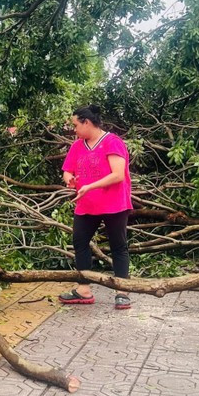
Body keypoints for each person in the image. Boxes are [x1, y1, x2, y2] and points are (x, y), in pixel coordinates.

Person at [58, 105, 133, 310]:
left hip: (114, 204)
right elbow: (67, 170)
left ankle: (122, 291)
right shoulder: (77, 146)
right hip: (86, 204)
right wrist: (70, 180)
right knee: (80, 242)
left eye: (75, 125)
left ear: (87, 122)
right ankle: (84, 289)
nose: (74, 130)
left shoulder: (112, 142)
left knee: (118, 246)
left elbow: (118, 175)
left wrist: (90, 185)